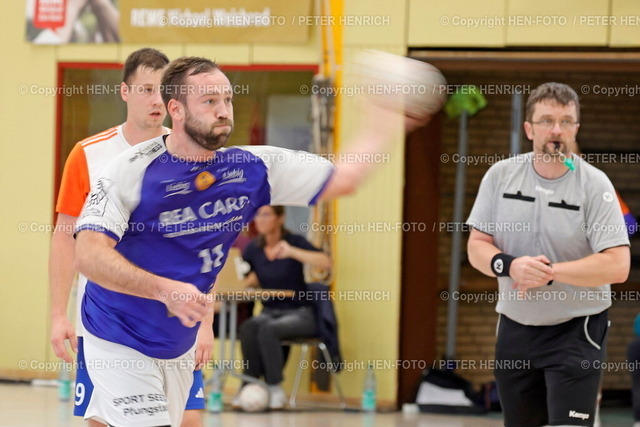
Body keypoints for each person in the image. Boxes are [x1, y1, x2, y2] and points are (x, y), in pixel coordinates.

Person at [73, 55, 432, 426]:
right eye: (209, 101)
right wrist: (163, 290)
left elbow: (344, 179)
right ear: (175, 109)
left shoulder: (251, 168)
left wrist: (385, 119)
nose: (223, 111)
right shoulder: (129, 172)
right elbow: (88, 254)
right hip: (116, 334)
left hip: (176, 344)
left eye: (227, 100)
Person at [49, 48, 208, 427]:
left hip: (173, 321)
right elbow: (65, 238)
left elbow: (202, 244)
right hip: (106, 322)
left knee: (188, 419)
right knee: (101, 421)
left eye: (162, 91)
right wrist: (57, 315)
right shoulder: (88, 155)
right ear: (125, 91)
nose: (156, 101)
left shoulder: (191, 153)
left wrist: (207, 323)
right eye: (146, 90)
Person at [466, 82, 630, 427]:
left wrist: (548, 272)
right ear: (529, 129)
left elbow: (618, 266)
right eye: (547, 121)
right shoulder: (500, 176)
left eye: (566, 121)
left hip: (577, 329)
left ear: (576, 129)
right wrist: (511, 266)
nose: (557, 130)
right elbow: (476, 246)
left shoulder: (595, 185)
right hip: (515, 328)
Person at [237, 205, 331, 409]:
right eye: (257, 215)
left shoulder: (294, 242)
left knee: (268, 330)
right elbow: (247, 277)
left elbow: (325, 262)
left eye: (266, 214)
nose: (260, 220)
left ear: (280, 218)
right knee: (249, 327)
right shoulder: (254, 248)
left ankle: (274, 387)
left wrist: (292, 252)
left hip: (300, 313)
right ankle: (249, 384)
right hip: (269, 311)